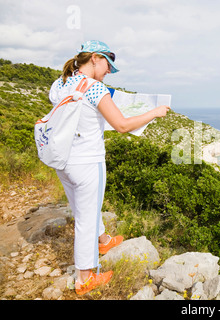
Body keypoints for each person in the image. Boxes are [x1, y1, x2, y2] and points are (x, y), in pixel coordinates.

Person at [50, 40, 170, 295]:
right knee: (85, 217)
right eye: (107, 65)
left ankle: (103, 240)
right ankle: (84, 278)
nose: (109, 72)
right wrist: (154, 112)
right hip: (87, 162)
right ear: (94, 58)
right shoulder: (95, 88)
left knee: (83, 206)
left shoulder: (60, 84)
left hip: (63, 160)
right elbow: (122, 125)